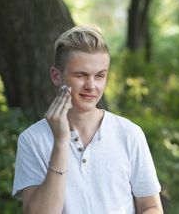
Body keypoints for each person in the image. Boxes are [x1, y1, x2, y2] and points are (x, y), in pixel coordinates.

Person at [12, 25, 163, 214]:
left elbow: (151, 206)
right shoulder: (32, 140)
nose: (91, 86)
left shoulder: (129, 133)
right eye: (80, 75)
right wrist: (60, 143)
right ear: (56, 76)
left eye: (100, 76)